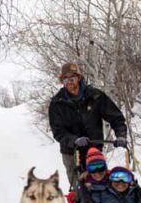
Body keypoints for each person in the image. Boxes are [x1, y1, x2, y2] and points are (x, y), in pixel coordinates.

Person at [48, 62, 128, 191]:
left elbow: (116, 118)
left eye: (72, 78)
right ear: (62, 81)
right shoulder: (57, 103)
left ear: (79, 78)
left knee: (100, 186)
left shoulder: (95, 96)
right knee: (79, 191)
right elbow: (58, 132)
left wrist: (121, 136)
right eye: (65, 79)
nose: (69, 81)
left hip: (94, 151)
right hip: (72, 154)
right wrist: (74, 140)